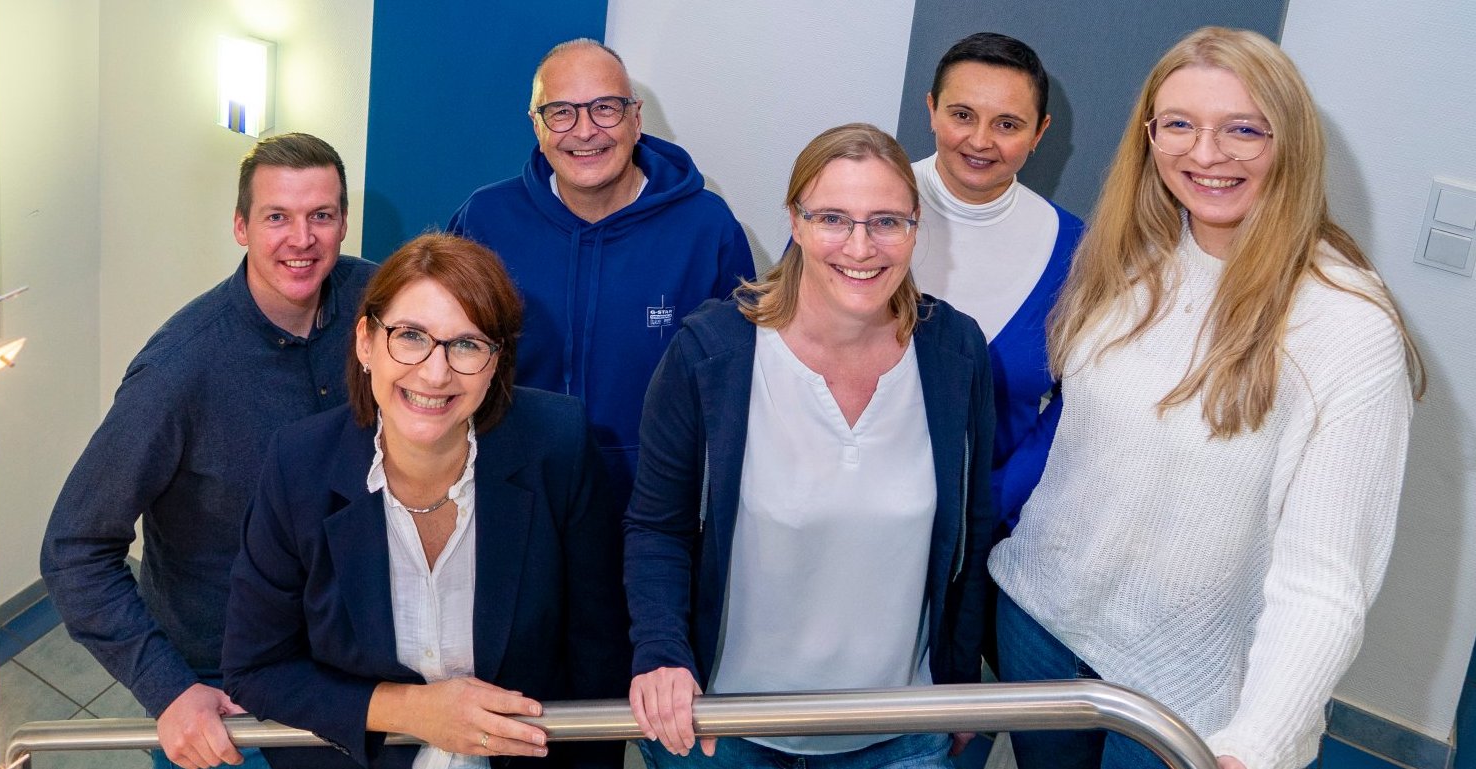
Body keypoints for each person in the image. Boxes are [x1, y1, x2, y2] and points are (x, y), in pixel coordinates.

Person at [988, 26, 1425, 769]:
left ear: (1290, 141)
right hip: (1040, 623)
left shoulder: (1344, 324)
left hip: (1186, 690)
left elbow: (1323, 579)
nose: (1204, 153)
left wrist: (1253, 743)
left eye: (1242, 129)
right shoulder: (1125, 260)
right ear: (1149, 136)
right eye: (1179, 125)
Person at [624, 123, 995, 769]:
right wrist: (661, 653)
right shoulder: (711, 354)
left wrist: (958, 681)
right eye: (831, 218)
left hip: (899, 732)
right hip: (724, 729)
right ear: (794, 222)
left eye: (886, 221)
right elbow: (657, 526)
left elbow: (970, 530)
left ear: (914, 228)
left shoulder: (955, 353)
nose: (860, 245)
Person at [222, 233, 632, 769]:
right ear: (366, 343)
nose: (435, 373)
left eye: (466, 344)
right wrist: (410, 709)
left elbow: (599, 658)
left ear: (496, 364)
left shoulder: (559, 446)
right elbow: (256, 668)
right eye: (411, 336)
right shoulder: (298, 466)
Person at [41, 133, 378, 769]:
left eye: (321, 216)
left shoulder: (377, 303)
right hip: (224, 692)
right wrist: (169, 691)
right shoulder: (179, 370)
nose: (301, 239)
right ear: (240, 226)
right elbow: (73, 549)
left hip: (346, 657)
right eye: (277, 216)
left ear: (341, 223)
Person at [447, 38, 754, 503]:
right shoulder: (483, 220)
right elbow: (443, 355)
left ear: (635, 118)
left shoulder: (707, 228)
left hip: (655, 503)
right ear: (537, 125)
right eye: (562, 112)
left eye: (605, 108)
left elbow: (740, 379)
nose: (585, 131)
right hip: (507, 489)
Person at [912, 32, 1084, 531]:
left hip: (988, 535)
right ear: (932, 109)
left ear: (1040, 132)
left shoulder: (1077, 252)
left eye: (1007, 124)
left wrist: (989, 506)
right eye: (962, 114)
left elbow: (1078, 406)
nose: (981, 140)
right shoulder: (854, 212)